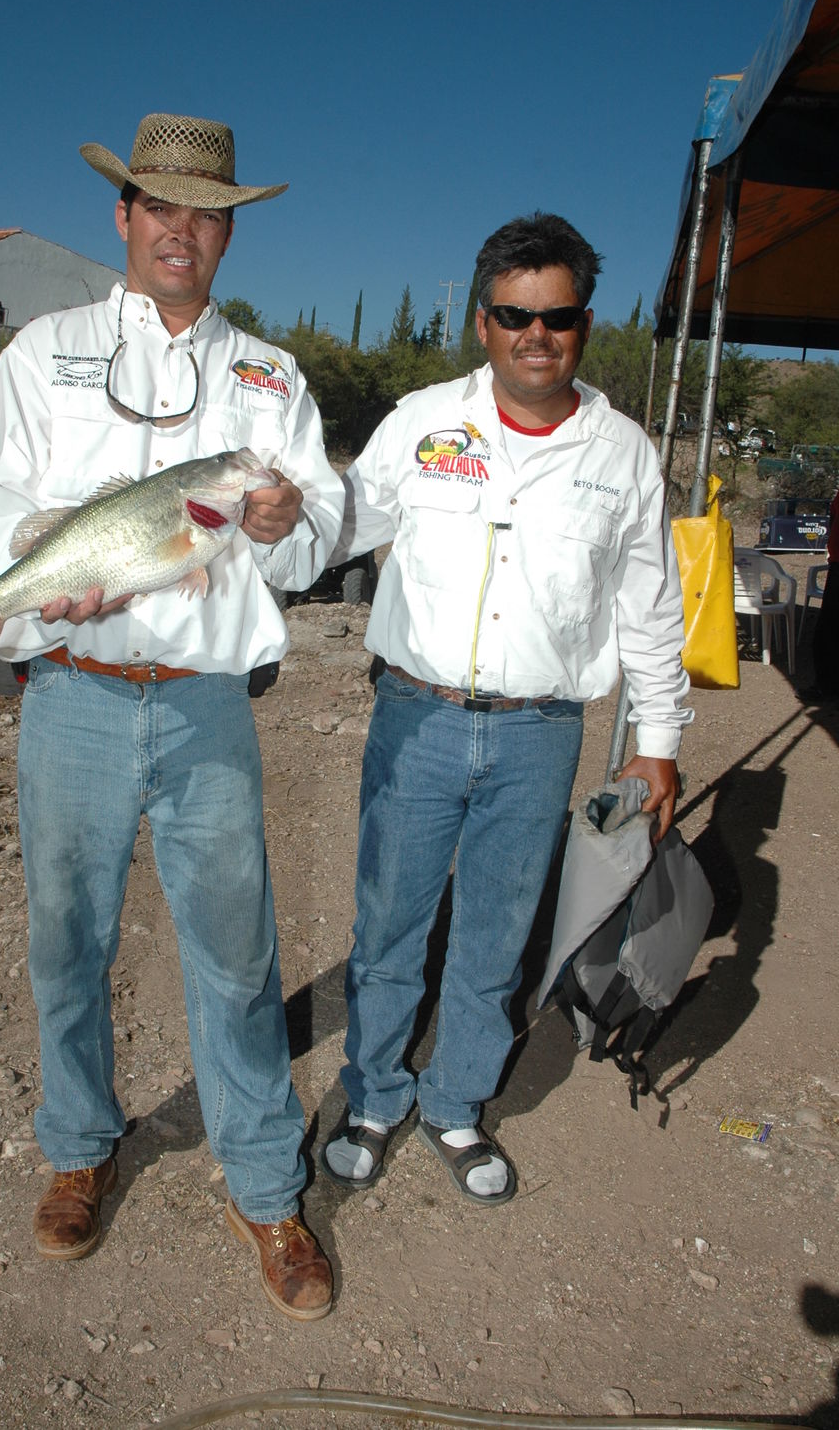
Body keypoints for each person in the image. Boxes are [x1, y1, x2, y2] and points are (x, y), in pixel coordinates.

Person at [0, 112, 342, 1321]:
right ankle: (81, 1146)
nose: (183, 230)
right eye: (160, 207)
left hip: (207, 711)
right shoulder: (40, 351)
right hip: (70, 697)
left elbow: (317, 530)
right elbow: (3, 510)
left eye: (208, 212)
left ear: (231, 232)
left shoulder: (272, 378)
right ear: (122, 217)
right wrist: (27, 611)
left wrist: (287, 526)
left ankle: (266, 1183)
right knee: (64, 943)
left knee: (236, 959)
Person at [321, 212, 692, 1204]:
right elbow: (332, 529)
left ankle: (453, 1104)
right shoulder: (420, 425)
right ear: (480, 322)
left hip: (540, 733)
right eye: (514, 315)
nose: (538, 334)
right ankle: (371, 1096)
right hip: (417, 719)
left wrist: (656, 747)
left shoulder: (622, 456)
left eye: (558, 316)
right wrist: (251, 511)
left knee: (494, 934)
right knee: (390, 925)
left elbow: (653, 611)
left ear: (582, 323)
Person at [799, 484, 839, 704]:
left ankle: (827, 684)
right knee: (827, 630)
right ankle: (826, 683)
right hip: (837, 563)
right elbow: (832, 519)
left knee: (829, 629)